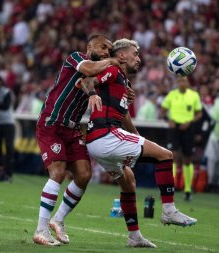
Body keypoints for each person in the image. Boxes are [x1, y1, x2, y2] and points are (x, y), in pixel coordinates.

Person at [81, 38, 197, 248]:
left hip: (98, 141)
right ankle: (169, 211)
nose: (139, 59)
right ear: (122, 56)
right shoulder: (114, 72)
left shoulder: (123, 81)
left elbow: (123, 115)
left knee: (128, 182)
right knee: (166, 156)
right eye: (135, 54)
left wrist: (138, 137)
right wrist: (91, 94)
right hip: (105, 135)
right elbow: (87, 81)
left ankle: (134, 237)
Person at [33, 34, 122, 246]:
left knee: (83, 174)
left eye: (109, 51)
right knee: (58, 171)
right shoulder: (75, 58)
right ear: (89, 45)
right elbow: (88, 71)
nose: (105, 53)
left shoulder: (100, 70)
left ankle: (58, 220)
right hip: (52, 124)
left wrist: (124, 92)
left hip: (72, 130)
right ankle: (41, 230)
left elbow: (92, 81)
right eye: (102, 48)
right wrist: (111, 61)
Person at [161, 76, 202, 201]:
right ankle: (170, 187)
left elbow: (199, 113)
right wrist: (168, 120)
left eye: (184, 80)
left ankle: (188, 189)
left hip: (188, 128)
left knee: (187, 158)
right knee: (171, 155)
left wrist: (190, 122)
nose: (182, 83)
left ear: (188, 82)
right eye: (179, 81)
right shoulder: (172, 95)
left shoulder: (194, 95)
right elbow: (162, 111)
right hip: (174, 127)